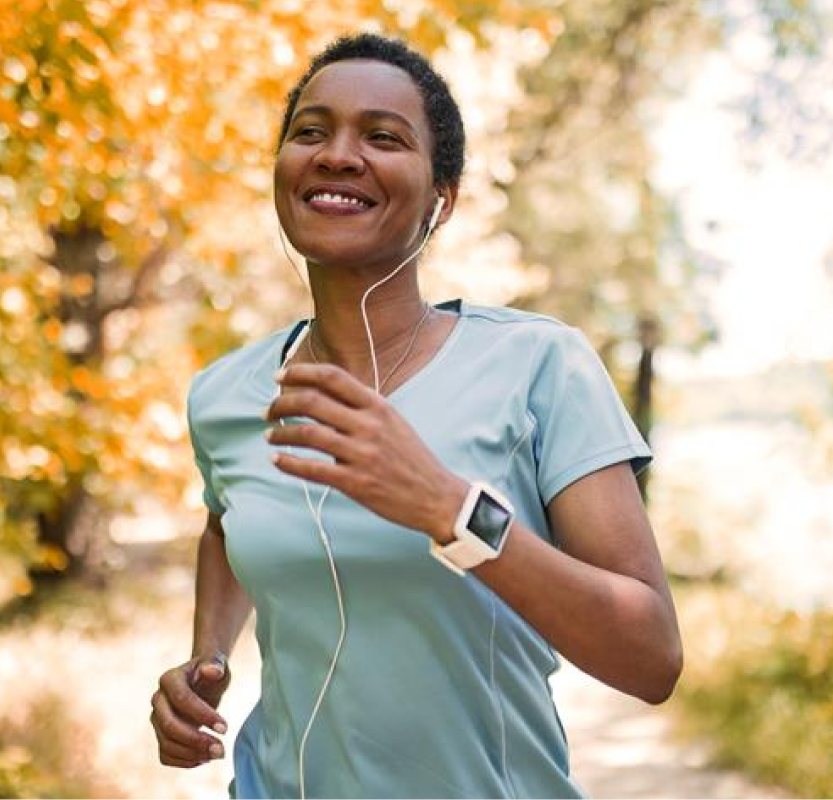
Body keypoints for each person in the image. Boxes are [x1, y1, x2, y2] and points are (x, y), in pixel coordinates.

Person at [149, 32, 683, 800]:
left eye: (382, 137)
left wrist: (448, 508)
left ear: (443, 198)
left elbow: (651, 656)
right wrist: (209, 660)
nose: (336, 154)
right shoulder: (224, 395)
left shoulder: (539, 365)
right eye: (310, 130)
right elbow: (226, 522)